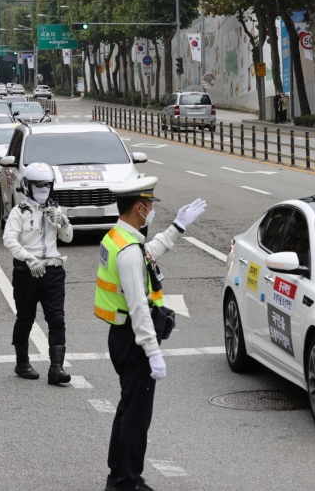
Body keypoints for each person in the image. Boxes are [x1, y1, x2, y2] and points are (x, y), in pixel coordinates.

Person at [96, 177, 206, 491]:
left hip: (120, 337)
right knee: (137, 415)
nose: (152, 211)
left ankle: (117, 475)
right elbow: (138, 308)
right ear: (140, 207)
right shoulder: (128, 250)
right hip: (134, 340)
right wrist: (153, 351)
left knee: (127, 408)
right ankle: (129, 481)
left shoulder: (118, 238)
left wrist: (177, 227)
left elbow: (149, 253)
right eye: (151, 205)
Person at [2, 163, 74, 384]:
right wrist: (29, 258)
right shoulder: (19, 212)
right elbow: (9, 240)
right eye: (38, 185)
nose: (43, 189)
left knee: (57, 319)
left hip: (53, 271)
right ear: (27, 186)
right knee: (25, 318)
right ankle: (22, 362)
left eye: (47, 185)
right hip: (27, 273)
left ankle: (57, 368)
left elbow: (68, 238)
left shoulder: (56, 209)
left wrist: (63, 222)